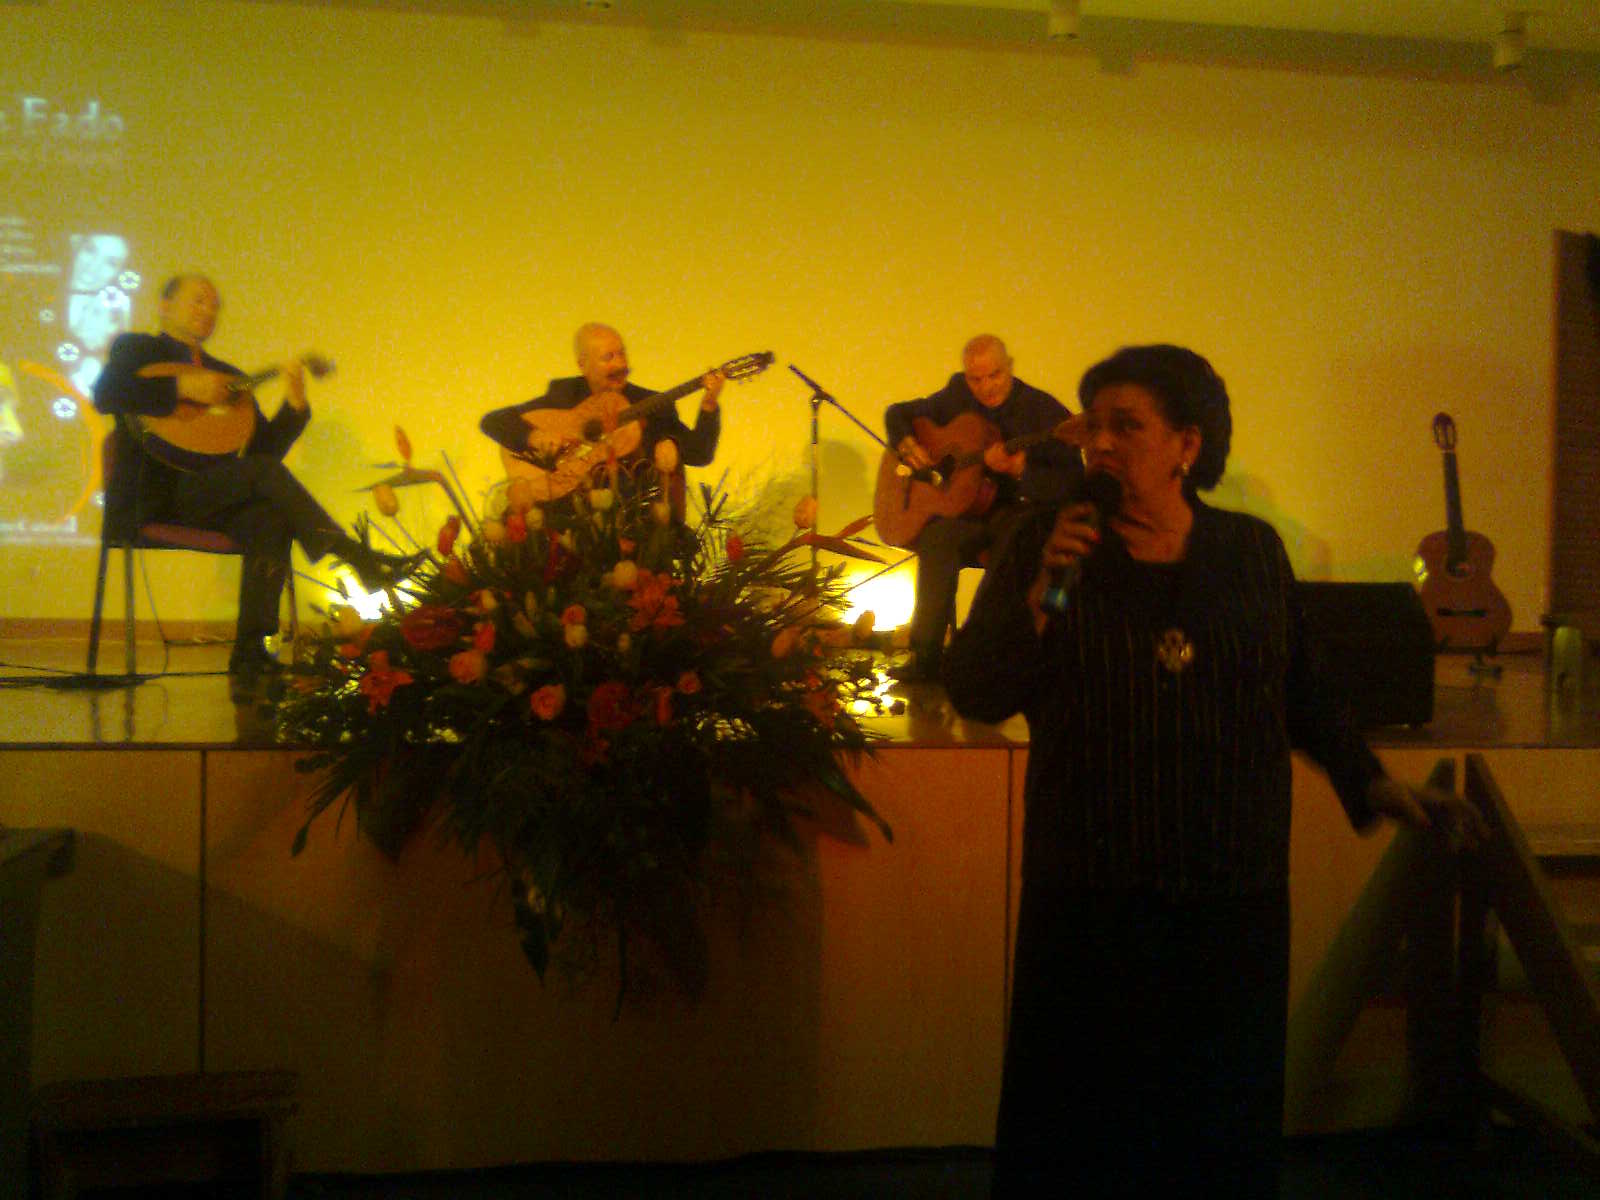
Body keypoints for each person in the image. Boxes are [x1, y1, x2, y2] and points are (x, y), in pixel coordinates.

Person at [943, 344, 1484, 1198]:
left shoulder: (1250, 552)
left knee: (1216, 1128)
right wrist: (1045, 591)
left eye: (1128, 426)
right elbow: (978, 690)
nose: (1102, 445)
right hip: (1091, 891)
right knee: (1080, 1130)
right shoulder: (1043, 545)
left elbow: (1301, 689)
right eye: (1095, 426)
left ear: (1188, 446)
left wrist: (1371, 781)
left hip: (1230, 893)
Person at [92, 274, 423, 676]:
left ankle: (250, 651)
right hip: (153, 496)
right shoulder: (137, 350)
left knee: (271, 518)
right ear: (164, 305)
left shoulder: (228, 376)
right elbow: (105, 394)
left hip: (209, 499)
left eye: (214, 305)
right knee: (265, 480)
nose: (208, 310)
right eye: (198, 300)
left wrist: (295, 406)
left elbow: (262, 456)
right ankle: (356, 556)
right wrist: (181, 387)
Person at [883, 334, 1081, 683]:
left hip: (1022, 512)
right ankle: (925, 657)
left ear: (1010, 367)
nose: (986, 387)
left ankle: (988, 657)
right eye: (976, 379)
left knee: (1012, 543)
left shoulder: (1044, 411)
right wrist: (906, 441)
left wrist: (1021, 470)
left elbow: (1071, 483)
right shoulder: (957, 396)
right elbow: (898, 413)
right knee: (937, 539)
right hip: (970, 513)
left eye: (995, 375)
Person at [479, 322, 723, 502]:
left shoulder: (651, 403)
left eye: (622, 354)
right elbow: (493, 421)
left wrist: (708, 406)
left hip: (632, 522)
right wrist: (535, 436)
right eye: (608, 357)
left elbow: (700, 453)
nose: (620, 364)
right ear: (583, 365)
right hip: (565, 517)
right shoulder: (563, 396)